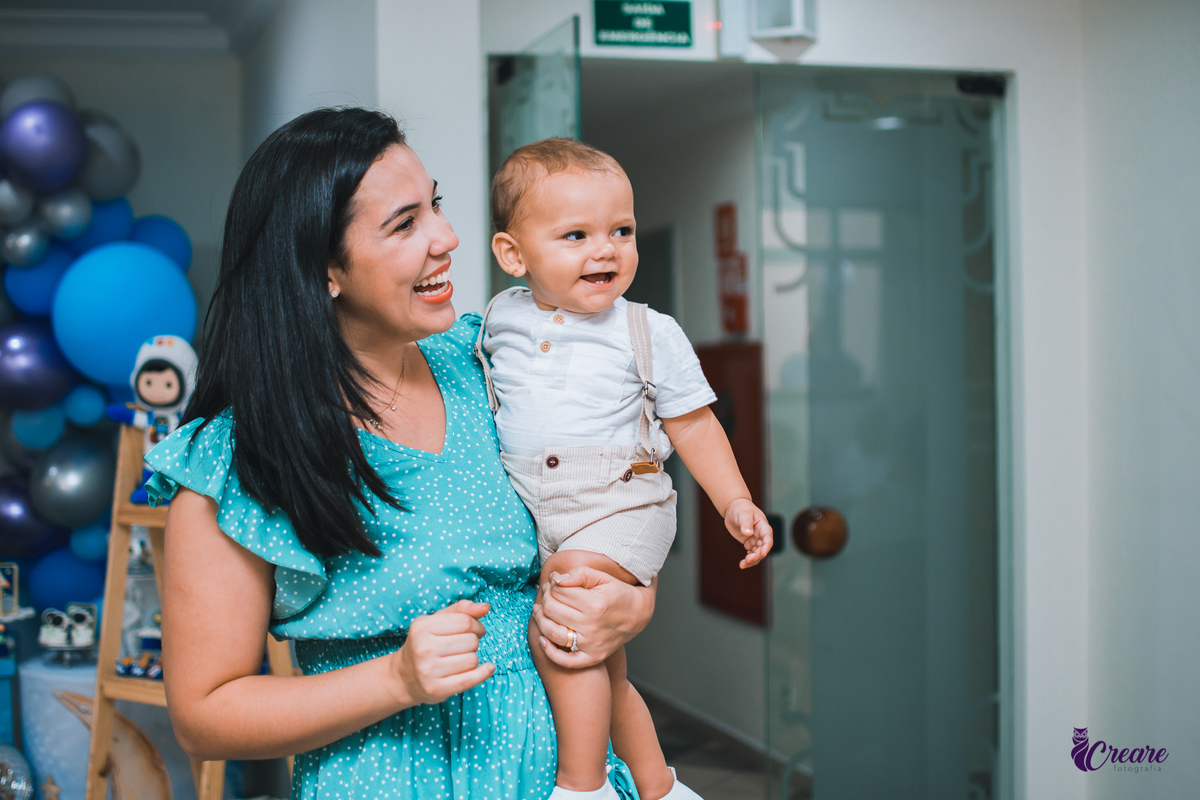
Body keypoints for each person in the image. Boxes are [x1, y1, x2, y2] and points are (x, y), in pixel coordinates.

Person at [148, 108, 657, 799]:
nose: (447, 238)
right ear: (324, 268)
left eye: (436, 205)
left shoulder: (490, 364)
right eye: (404, 224)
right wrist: (395, 680)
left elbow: (609, 497)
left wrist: (631, 599)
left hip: (566, 775)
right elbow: (204, 717)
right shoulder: (238, 460)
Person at [481, 139, 774, 800]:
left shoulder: (647, 330)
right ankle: (659, 786)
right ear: (513, 254)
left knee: (565, 623)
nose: (606, 248)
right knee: (604, 667)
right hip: (542, 512)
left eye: (622, 230)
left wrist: (734, 501)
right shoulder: (500, 318)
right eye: (576, 234)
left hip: (621, 505)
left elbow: (695, 424)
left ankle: (581, 787)